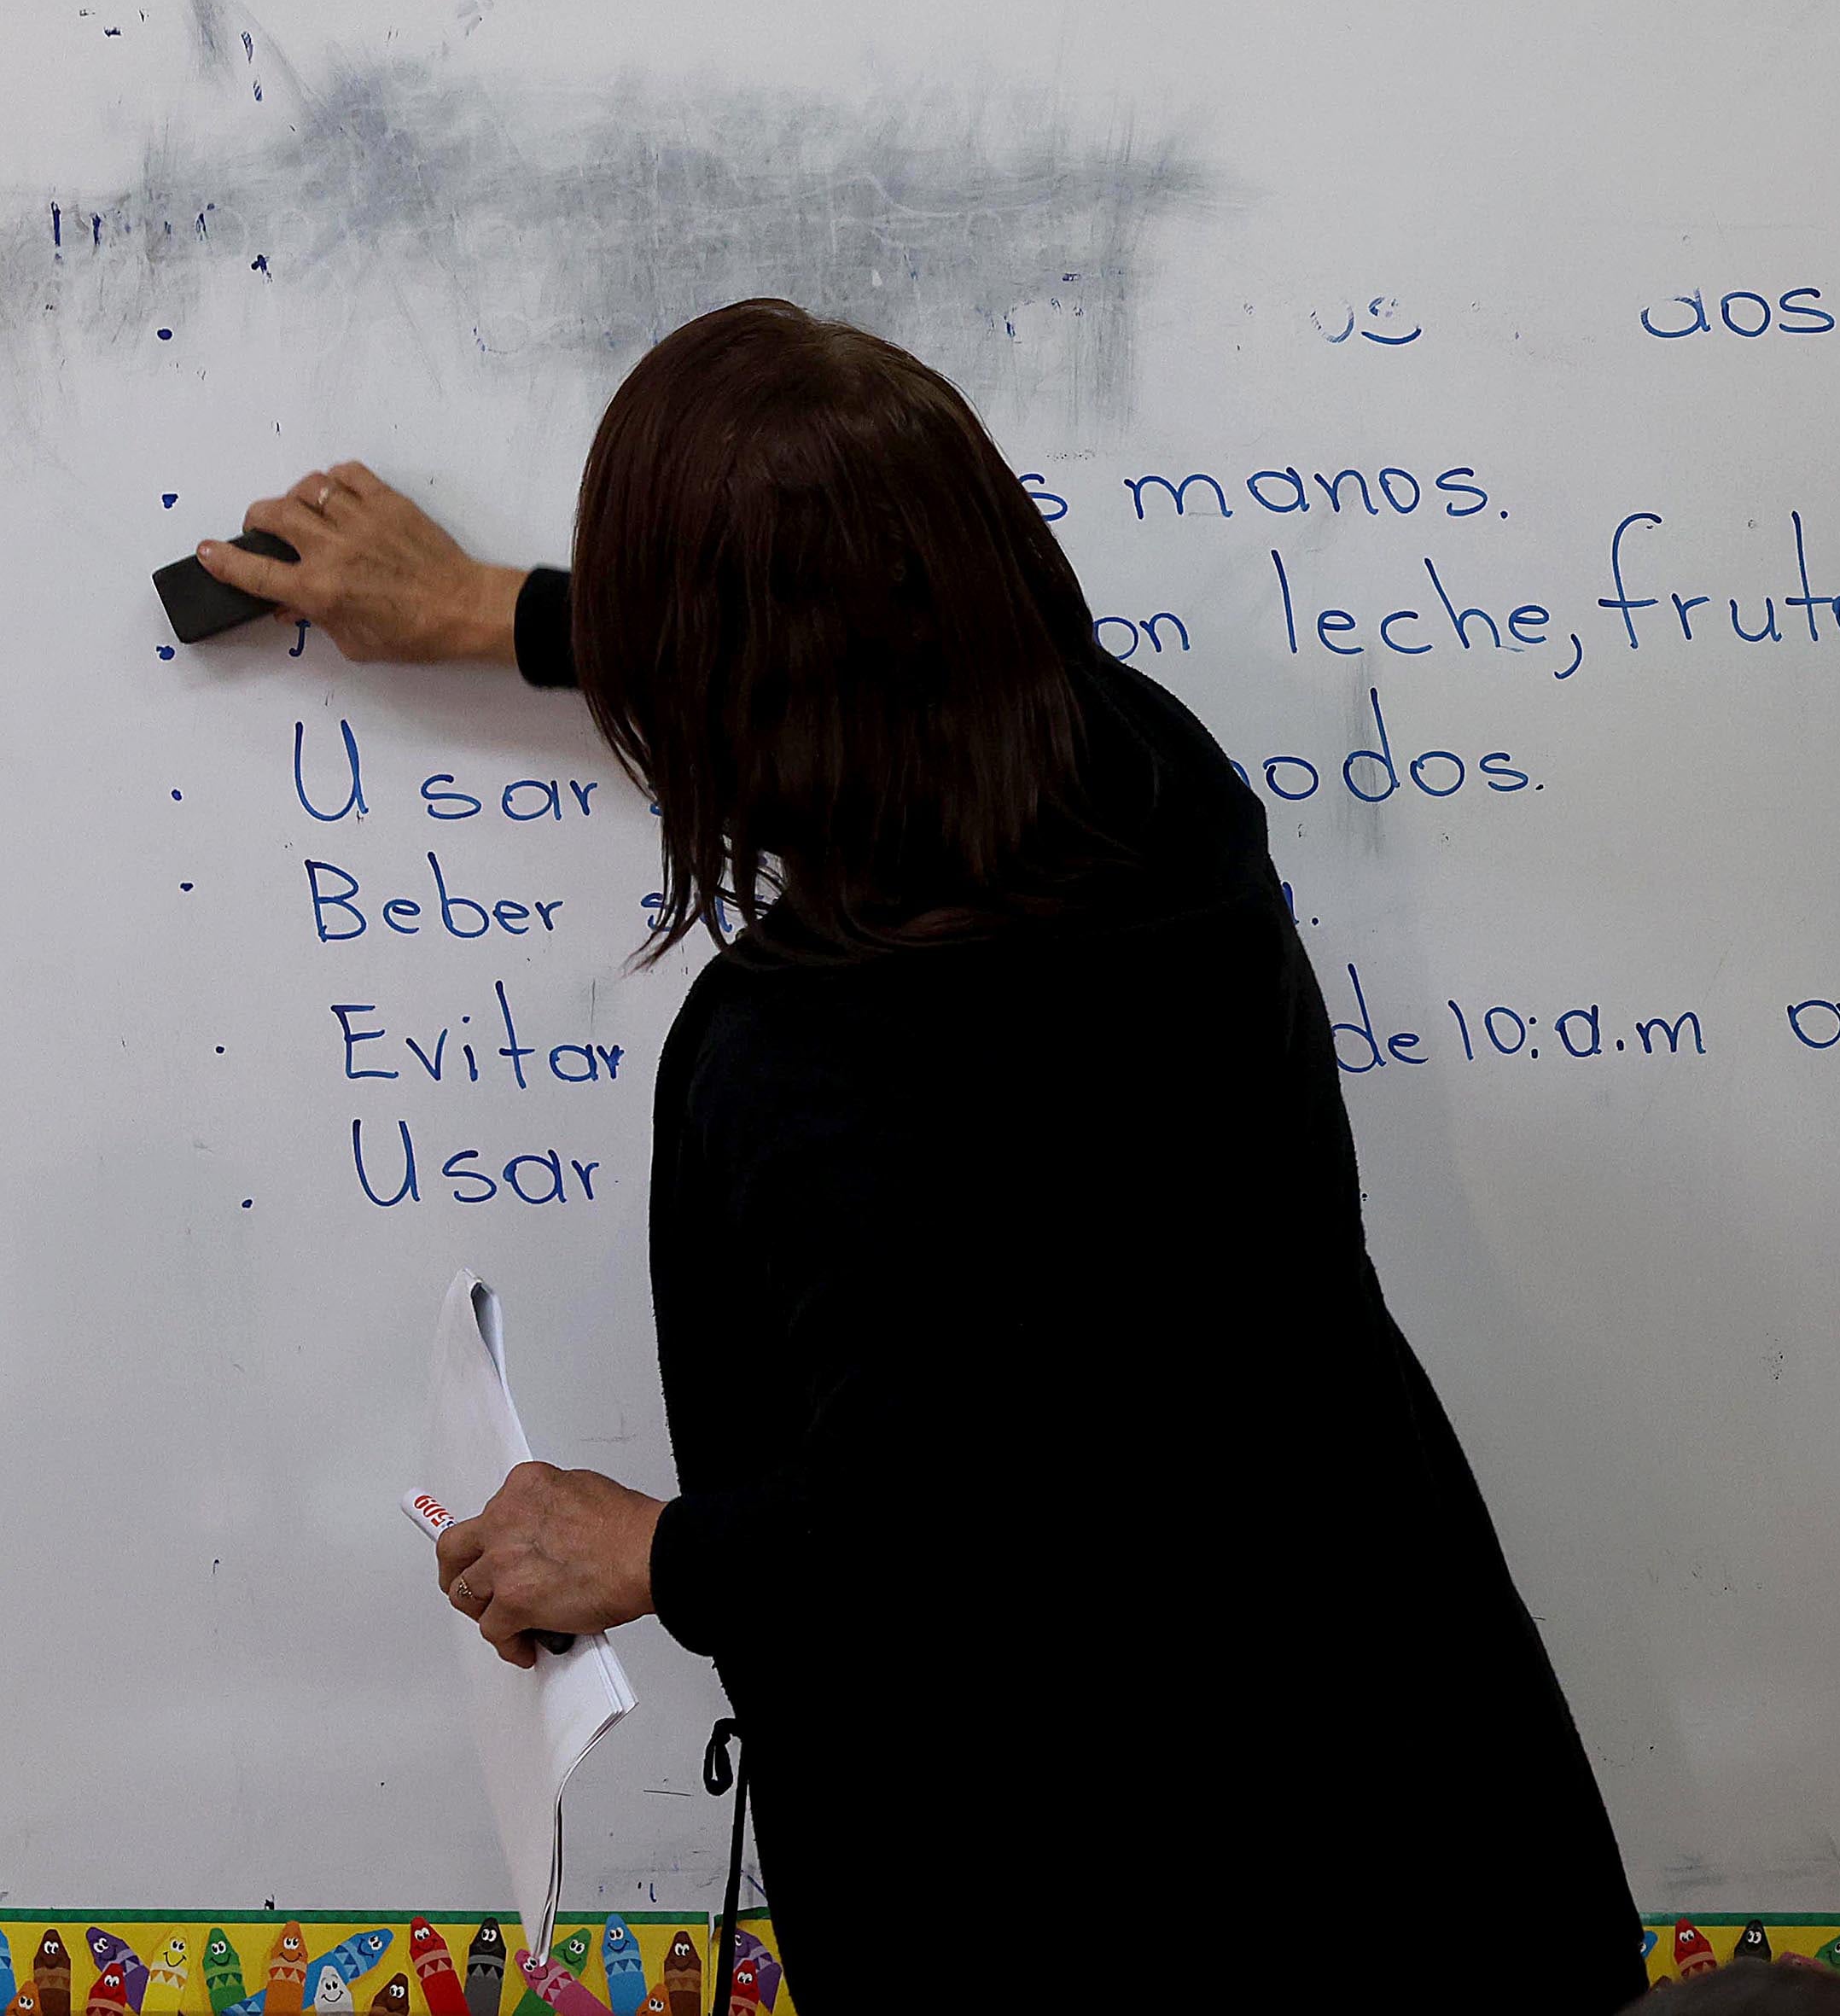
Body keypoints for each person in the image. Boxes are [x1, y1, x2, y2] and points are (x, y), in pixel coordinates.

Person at [200, 300, 1645, 2014]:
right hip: (1424, 1802)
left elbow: (971, 1527)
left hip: (1102, 1891)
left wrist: (655, 1553)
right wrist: (498, 614)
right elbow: (864, 636)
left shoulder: (814, 1056)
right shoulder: (1150, 783)